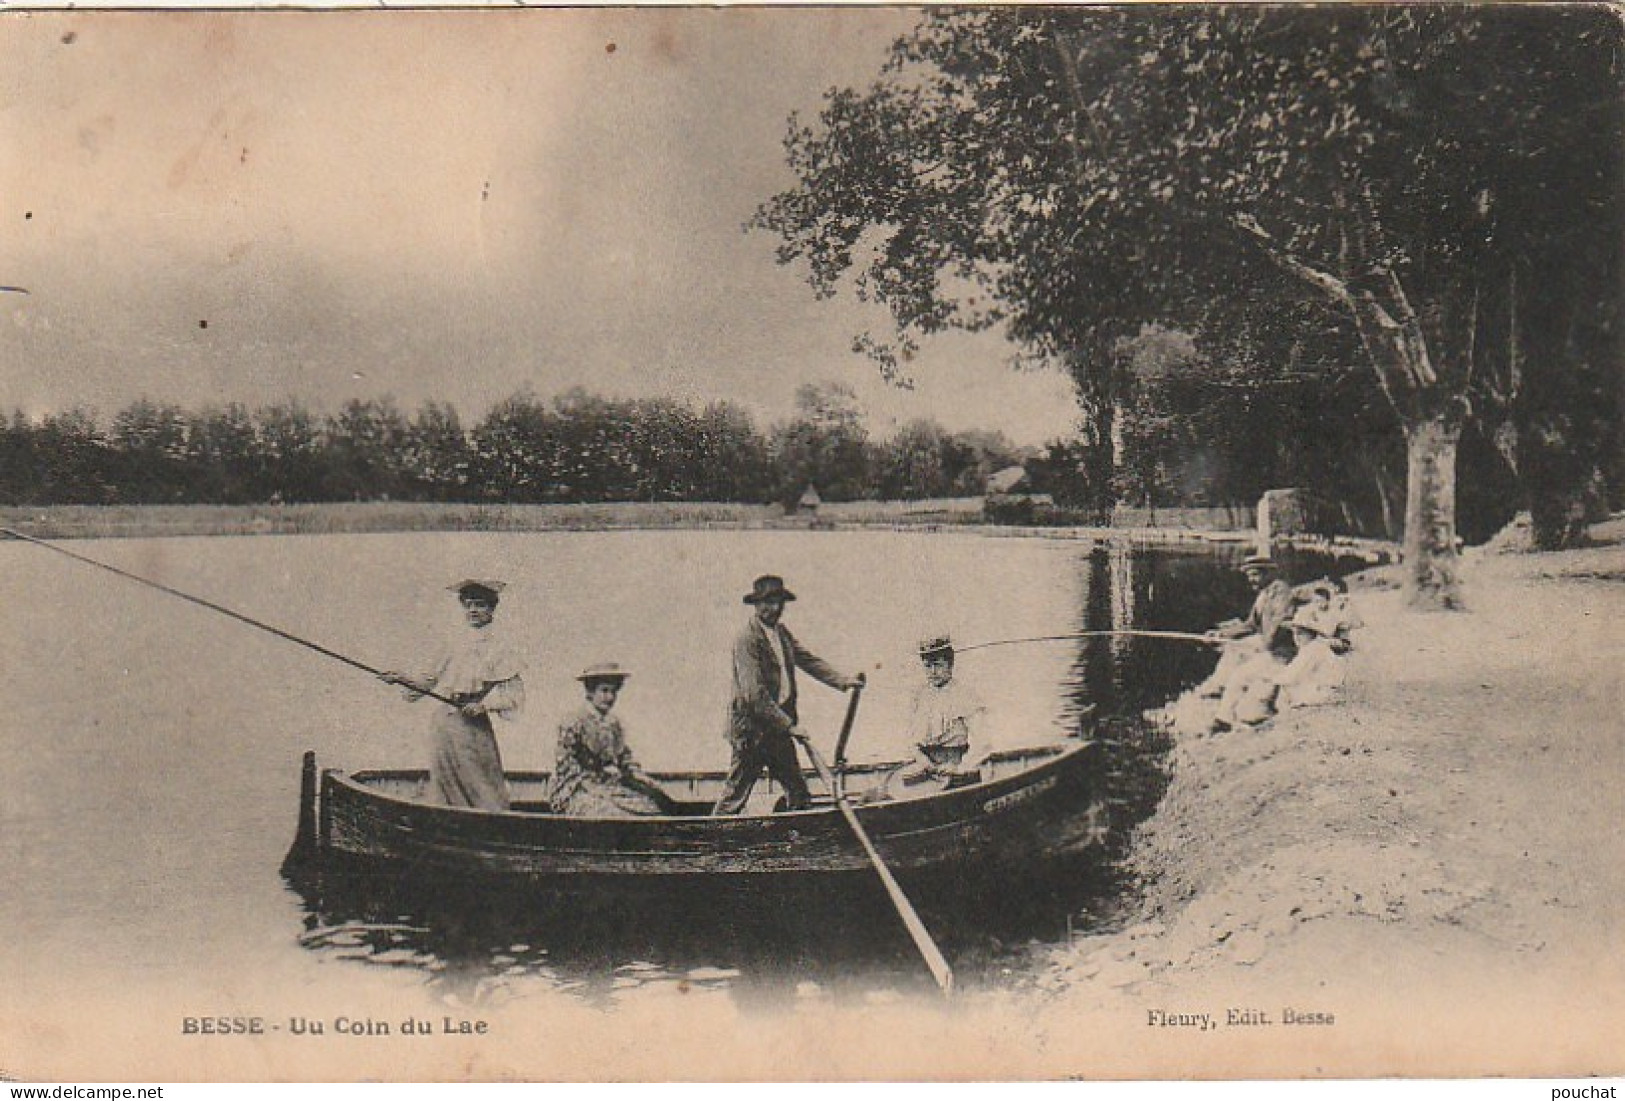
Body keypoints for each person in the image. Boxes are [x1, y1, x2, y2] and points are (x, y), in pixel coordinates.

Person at [711, 574, 865, 815]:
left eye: (778, 602)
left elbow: (808, 660)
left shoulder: (781, 633)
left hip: (777, 731)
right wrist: (789, 726)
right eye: (767, 602)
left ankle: (797, 843)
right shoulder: (747, 640)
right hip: (752, 732)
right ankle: (710, 843)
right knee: (735, 796)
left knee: (799, 793)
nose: (774, 608)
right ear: (756, 605)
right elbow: (754, 695)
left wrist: (844, 682)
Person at [380, 579, 525, 811]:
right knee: (445, 782)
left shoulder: (501, 648)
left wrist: (483, 705)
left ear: (491, 609)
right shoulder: (452, 642)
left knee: (481, 784)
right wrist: (401, 678)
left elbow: (514, 696)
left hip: (473, 725)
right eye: (468, 605)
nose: (473, 610)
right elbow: (428, 681)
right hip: (445, 724)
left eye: (479, 605)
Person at [866, 634, 988, 802]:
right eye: (928, 666)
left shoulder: (965, 696)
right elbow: (911, 740)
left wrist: (960, 768)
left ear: (950, 665)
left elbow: (983, 742)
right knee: (879, 795)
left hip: (956, 772)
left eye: (938, 665)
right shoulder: (920, 696)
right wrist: (922, 760)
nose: (932, 672)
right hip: (926, 770)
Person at [548, 663, 673, 817]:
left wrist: (643, 780)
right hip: (574, 790)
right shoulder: (573, 721)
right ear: (590, 692)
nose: (610, 697)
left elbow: (625, 759)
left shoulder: (614, 724)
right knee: (613, 815)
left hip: (607, 787)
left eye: (614, 691)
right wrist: (595, 783)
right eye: (604, 690)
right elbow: (566, 765)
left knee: (651, 809)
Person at [1276, 580, 1362, 709]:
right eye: (1315, 601)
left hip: (1330, 667)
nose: (1296, 638)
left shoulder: (1335, 615)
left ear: (1327, 600)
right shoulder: (1313, 617)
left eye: (1300, 633)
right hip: (1321, 663)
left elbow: (1288, 677)